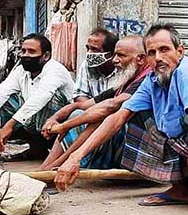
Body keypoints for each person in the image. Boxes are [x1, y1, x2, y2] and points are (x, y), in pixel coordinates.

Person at [54, 24, 188, 215]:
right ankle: (181, 189)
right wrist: (75, 157)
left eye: (164, 50)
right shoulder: (152, 80)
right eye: (151, 53)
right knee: (138, 116)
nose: (157, 57)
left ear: (180, 51)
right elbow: (117, 117)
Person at [39, 35, 151, 170]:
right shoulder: (125, 82)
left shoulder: (146, 79)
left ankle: (56, 166)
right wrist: (54, 119)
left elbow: (111, 106)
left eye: (121, 55)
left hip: (144, 149)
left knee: (101, 118)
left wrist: (65, 126)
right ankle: (48, 167)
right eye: (115, 55)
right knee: (80, 114)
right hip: (125, 143)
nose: (115, 60)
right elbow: (81, 104)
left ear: (141, 59)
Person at [0, 33, 74, 161]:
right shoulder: (20, 71)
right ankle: (36, 149)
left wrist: (10, 125)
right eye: (23, 51)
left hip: (60, 126)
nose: (26, 55)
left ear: (46, 56)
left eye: (31, 52)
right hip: (34, 125)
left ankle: (57, 153)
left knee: (47, 100)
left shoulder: (55, 70)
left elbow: (41, 97)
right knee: (7, 100)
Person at [74, 28, 119, 100]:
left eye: (94, 49)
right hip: (91, 108)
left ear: (110, 54)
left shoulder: (122, 69)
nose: (89, 53)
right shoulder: (86, 64)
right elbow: (80, 94)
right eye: (88, 48)